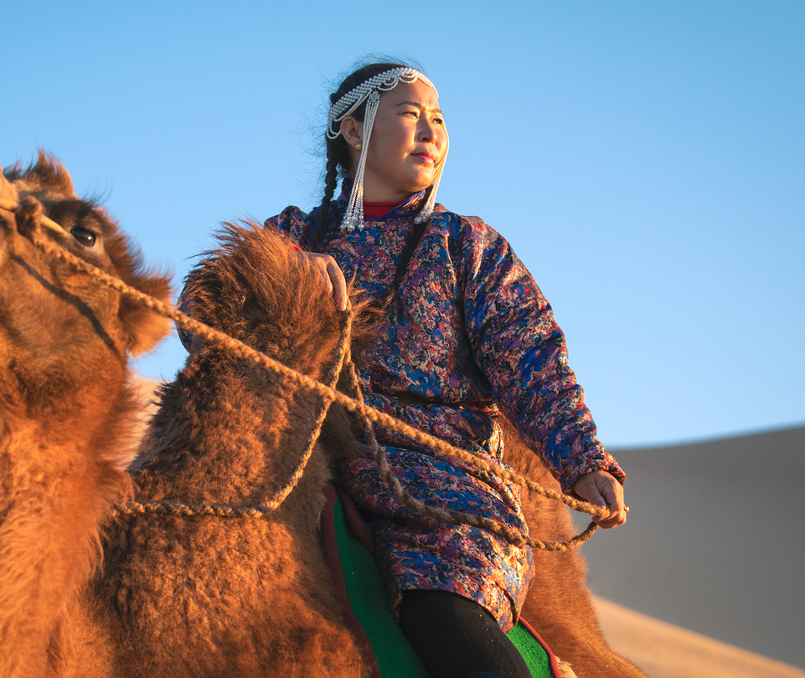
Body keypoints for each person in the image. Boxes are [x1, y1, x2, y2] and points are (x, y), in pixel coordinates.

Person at [260, 61, 629, 677]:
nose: (431, 130)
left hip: (441, 497)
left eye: (438, 119)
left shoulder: (468, 247)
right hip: (305, 467)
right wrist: (283, 276)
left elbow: (532, 359)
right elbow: (204, 313)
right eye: (410, 114)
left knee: (446, 622)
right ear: (353, 131)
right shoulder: (294, 236)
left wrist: (583, 461)